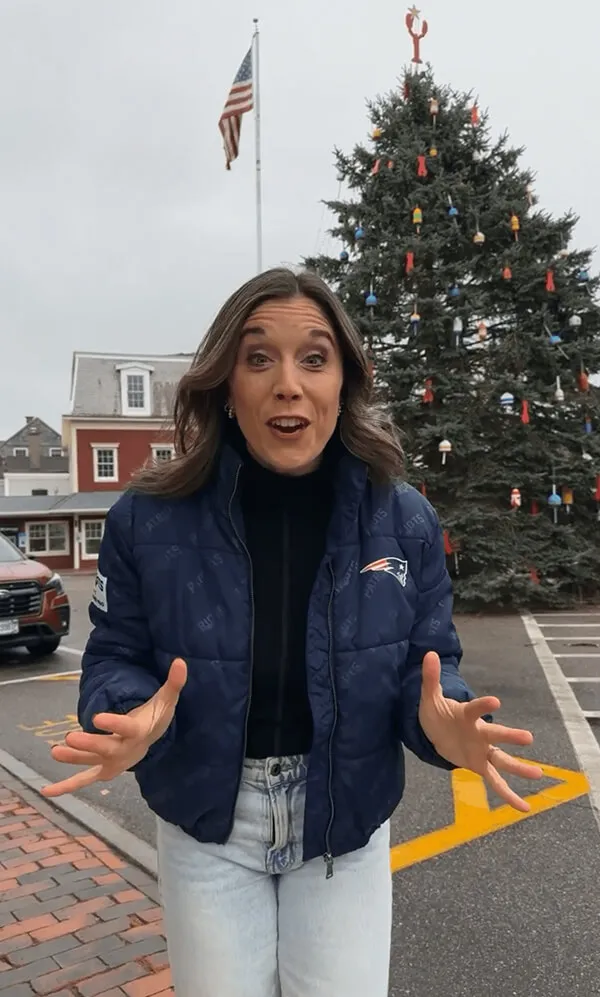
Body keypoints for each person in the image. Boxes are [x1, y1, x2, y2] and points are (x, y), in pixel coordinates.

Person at [42, 268, 543, 997]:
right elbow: (117, 653)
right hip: (208, 823)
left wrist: (444, 725)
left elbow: (427, 671)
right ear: (224, 384)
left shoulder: (402, 520)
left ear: (344, 380)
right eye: (257, 357)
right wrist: (127, 713)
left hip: (344, 819)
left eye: (313, 357)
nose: (287, 383)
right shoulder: (145, 521)